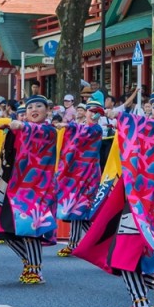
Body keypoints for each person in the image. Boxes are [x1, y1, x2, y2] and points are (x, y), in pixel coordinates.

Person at [75, 83, 154, 307]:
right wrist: (114, 118)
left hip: (149, 204)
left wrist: (120, 115)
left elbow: (145, 128)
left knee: (124, 253)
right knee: (129, 252)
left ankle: (142, 306)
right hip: (141, 201)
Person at [0, 95, 58, 283]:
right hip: (12, 187)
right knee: (5, 231)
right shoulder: (17, 130)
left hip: (35, 189)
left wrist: (21, 126)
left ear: (47, 110)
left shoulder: (49, 131)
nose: (34, 109)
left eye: (39, 106)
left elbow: (36, 131)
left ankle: (35, 269)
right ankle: (29, 262)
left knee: (29, 229)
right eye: (30, 106)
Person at [55, 104, 104, 257]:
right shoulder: (82, 126)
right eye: (92, 111)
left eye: (97, 113)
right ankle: (97, 242)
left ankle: (76, 243)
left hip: (89, 173)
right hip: (78, 172)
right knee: (79, 209)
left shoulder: (96, 129)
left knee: (80, 208)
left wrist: (66, 126)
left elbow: (82, 132)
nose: (93, 115)